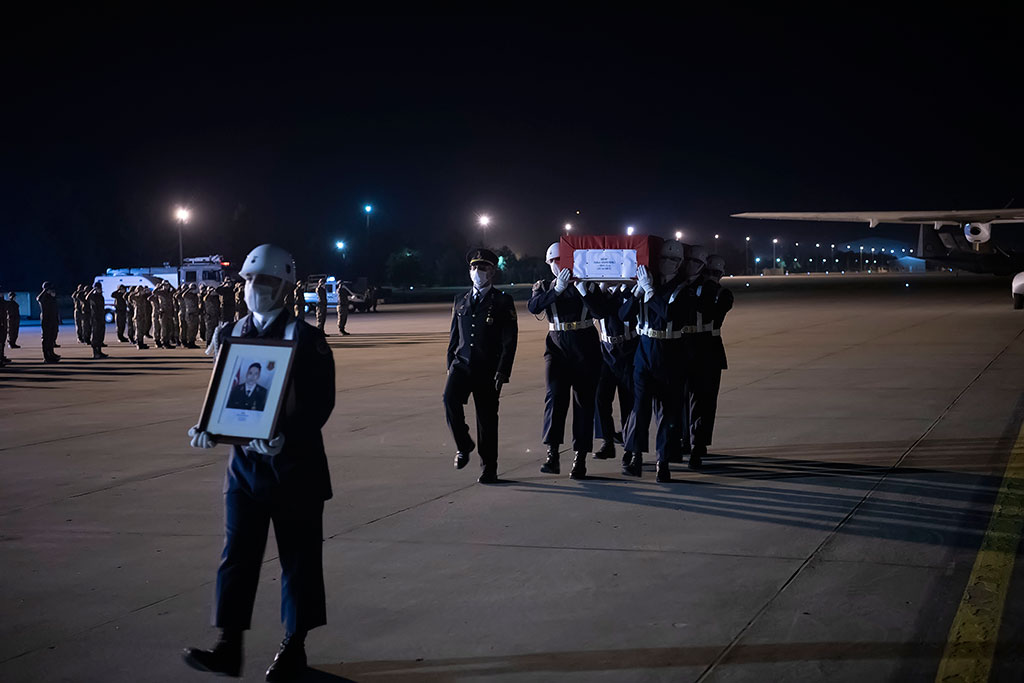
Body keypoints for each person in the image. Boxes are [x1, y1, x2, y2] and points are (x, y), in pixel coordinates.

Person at [184, 244, 335, 682]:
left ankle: (295, 648)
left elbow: (320, 405)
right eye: (249, 281)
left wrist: (288, 436)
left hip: (296, 470)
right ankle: (229, 646)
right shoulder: (232, 332)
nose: (254, 289)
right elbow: (226, 394)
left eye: (265, 281)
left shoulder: (308, 340)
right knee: (237, 557)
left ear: (285, 287)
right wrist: (210, 427)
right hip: (245, 471)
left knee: (298, 562)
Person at [622, 242, 712, 481]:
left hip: (671, 353)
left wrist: (650, 291)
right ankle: (635, 457)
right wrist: (637, 293)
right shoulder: (647, 283)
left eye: (671, 260)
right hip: (644, 351)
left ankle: (663, 461)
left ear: (679, 263)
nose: (665, 263)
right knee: (639, 408)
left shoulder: (683, 290)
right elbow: (623, 316)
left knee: (668, 412)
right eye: (662, 258)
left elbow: (673, 316)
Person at [527, 241, 603, 479]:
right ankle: (553, 454)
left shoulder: (586, 284)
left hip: (584, 345)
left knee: (583, 402)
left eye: (560, 260)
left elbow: (601, 312)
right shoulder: (544, 286)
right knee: (554, 396)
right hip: (557, 345)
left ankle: (580, 458)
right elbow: (534, 307)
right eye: (553, 262)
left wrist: (582, 289)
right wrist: (556, 291)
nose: (557, 265)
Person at [443, 248, 518, 483]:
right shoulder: (460, 300)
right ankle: (464, 445)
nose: (477, 272)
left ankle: (489, 467)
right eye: (474, 268)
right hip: (462, 365)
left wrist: (503, 370)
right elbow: (454, 338)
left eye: (483, 268)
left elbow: (510, 339)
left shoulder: (503, 301)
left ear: (492, 271)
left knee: (486, 419)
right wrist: (449, 364)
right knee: (449, 400)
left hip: (488, 369)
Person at [689, 254, 733, 462]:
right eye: (709, 272)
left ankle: (698, 442)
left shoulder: (722, 294)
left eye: (715, 273)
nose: (711, 277)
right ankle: (687, 440)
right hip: (693, 348)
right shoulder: (695, 290)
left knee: (705, 401)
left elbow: (709, 310)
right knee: (688, 400)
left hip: (708, 350)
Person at [591, 283, 638, 466]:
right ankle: (607, 441)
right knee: (600, 398)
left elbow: (621, 312)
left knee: (628, 400)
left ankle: (629, 446)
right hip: (605, 349)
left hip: (628, 348)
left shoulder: (630, 289)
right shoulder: (598, 291)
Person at [38, 282, 61, 363]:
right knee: (46, 338)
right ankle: (46, 356)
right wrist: (45, 290)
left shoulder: (51, 298)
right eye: (50, 290)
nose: (52, 292)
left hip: (53, 320)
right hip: (46, 321)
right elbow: (38, 298)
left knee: (51, 338)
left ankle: (51, 353)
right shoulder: (43, 298)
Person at [88, 282, 108, 359]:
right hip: (95, 318)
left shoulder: (101, 296)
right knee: (96, 336)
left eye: (100, 288)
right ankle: (95, 353)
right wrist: (93, 290)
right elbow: (87, 297)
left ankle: (99, 351)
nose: (100, 289)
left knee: (101, 335)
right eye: (98, 288)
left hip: (101, 318)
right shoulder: (93, 296)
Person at [182, 283, 201, 348]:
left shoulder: (195, 296)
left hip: (195, 313)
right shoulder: (187, 295)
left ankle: (192, 342)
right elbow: (183, 295)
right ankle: (189, 342)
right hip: (190, 314)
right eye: (192, 288)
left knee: (195, 328)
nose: (193, 289)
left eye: (194, 288)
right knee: (190, 328)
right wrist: (188, 289)